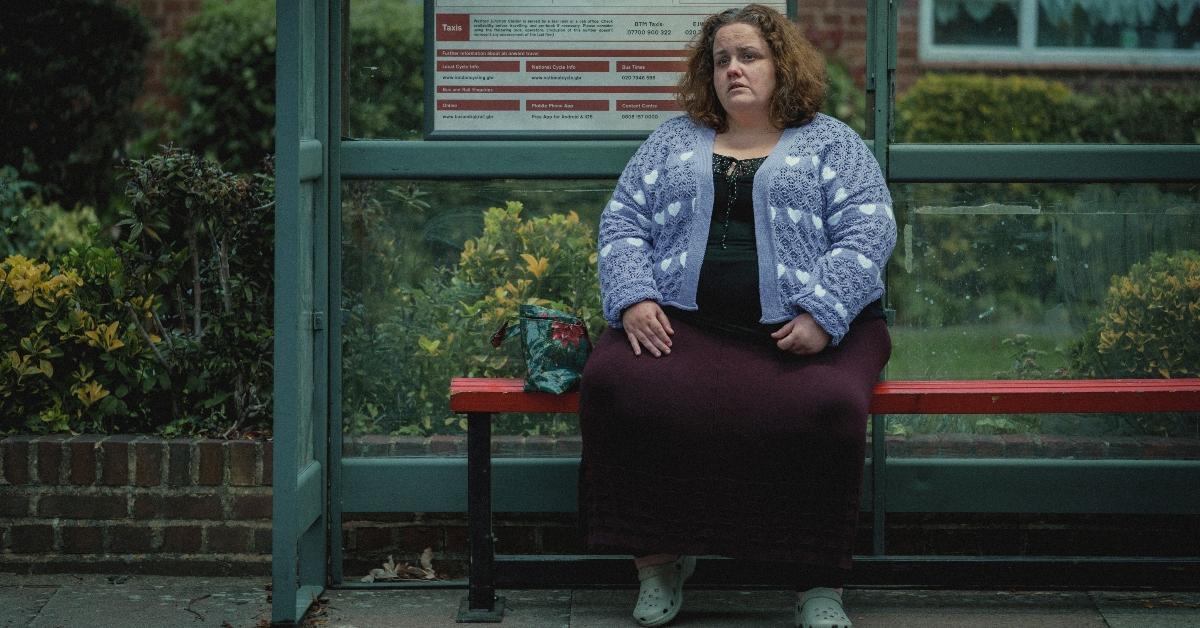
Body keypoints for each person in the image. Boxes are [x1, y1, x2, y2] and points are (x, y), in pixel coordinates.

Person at [579, 4, 895, 627]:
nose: (733, 69)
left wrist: (822, 312)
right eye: (721, 59)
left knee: (825, 408)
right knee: (616, 383)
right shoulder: (671, 139)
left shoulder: (832, 141)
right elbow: (622, 222)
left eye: (749, 56)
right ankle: (659, 561)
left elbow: (869, 231)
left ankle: (817, 584)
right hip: (686, 324)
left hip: (805, 330)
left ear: (782, 65)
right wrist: (635, 296)